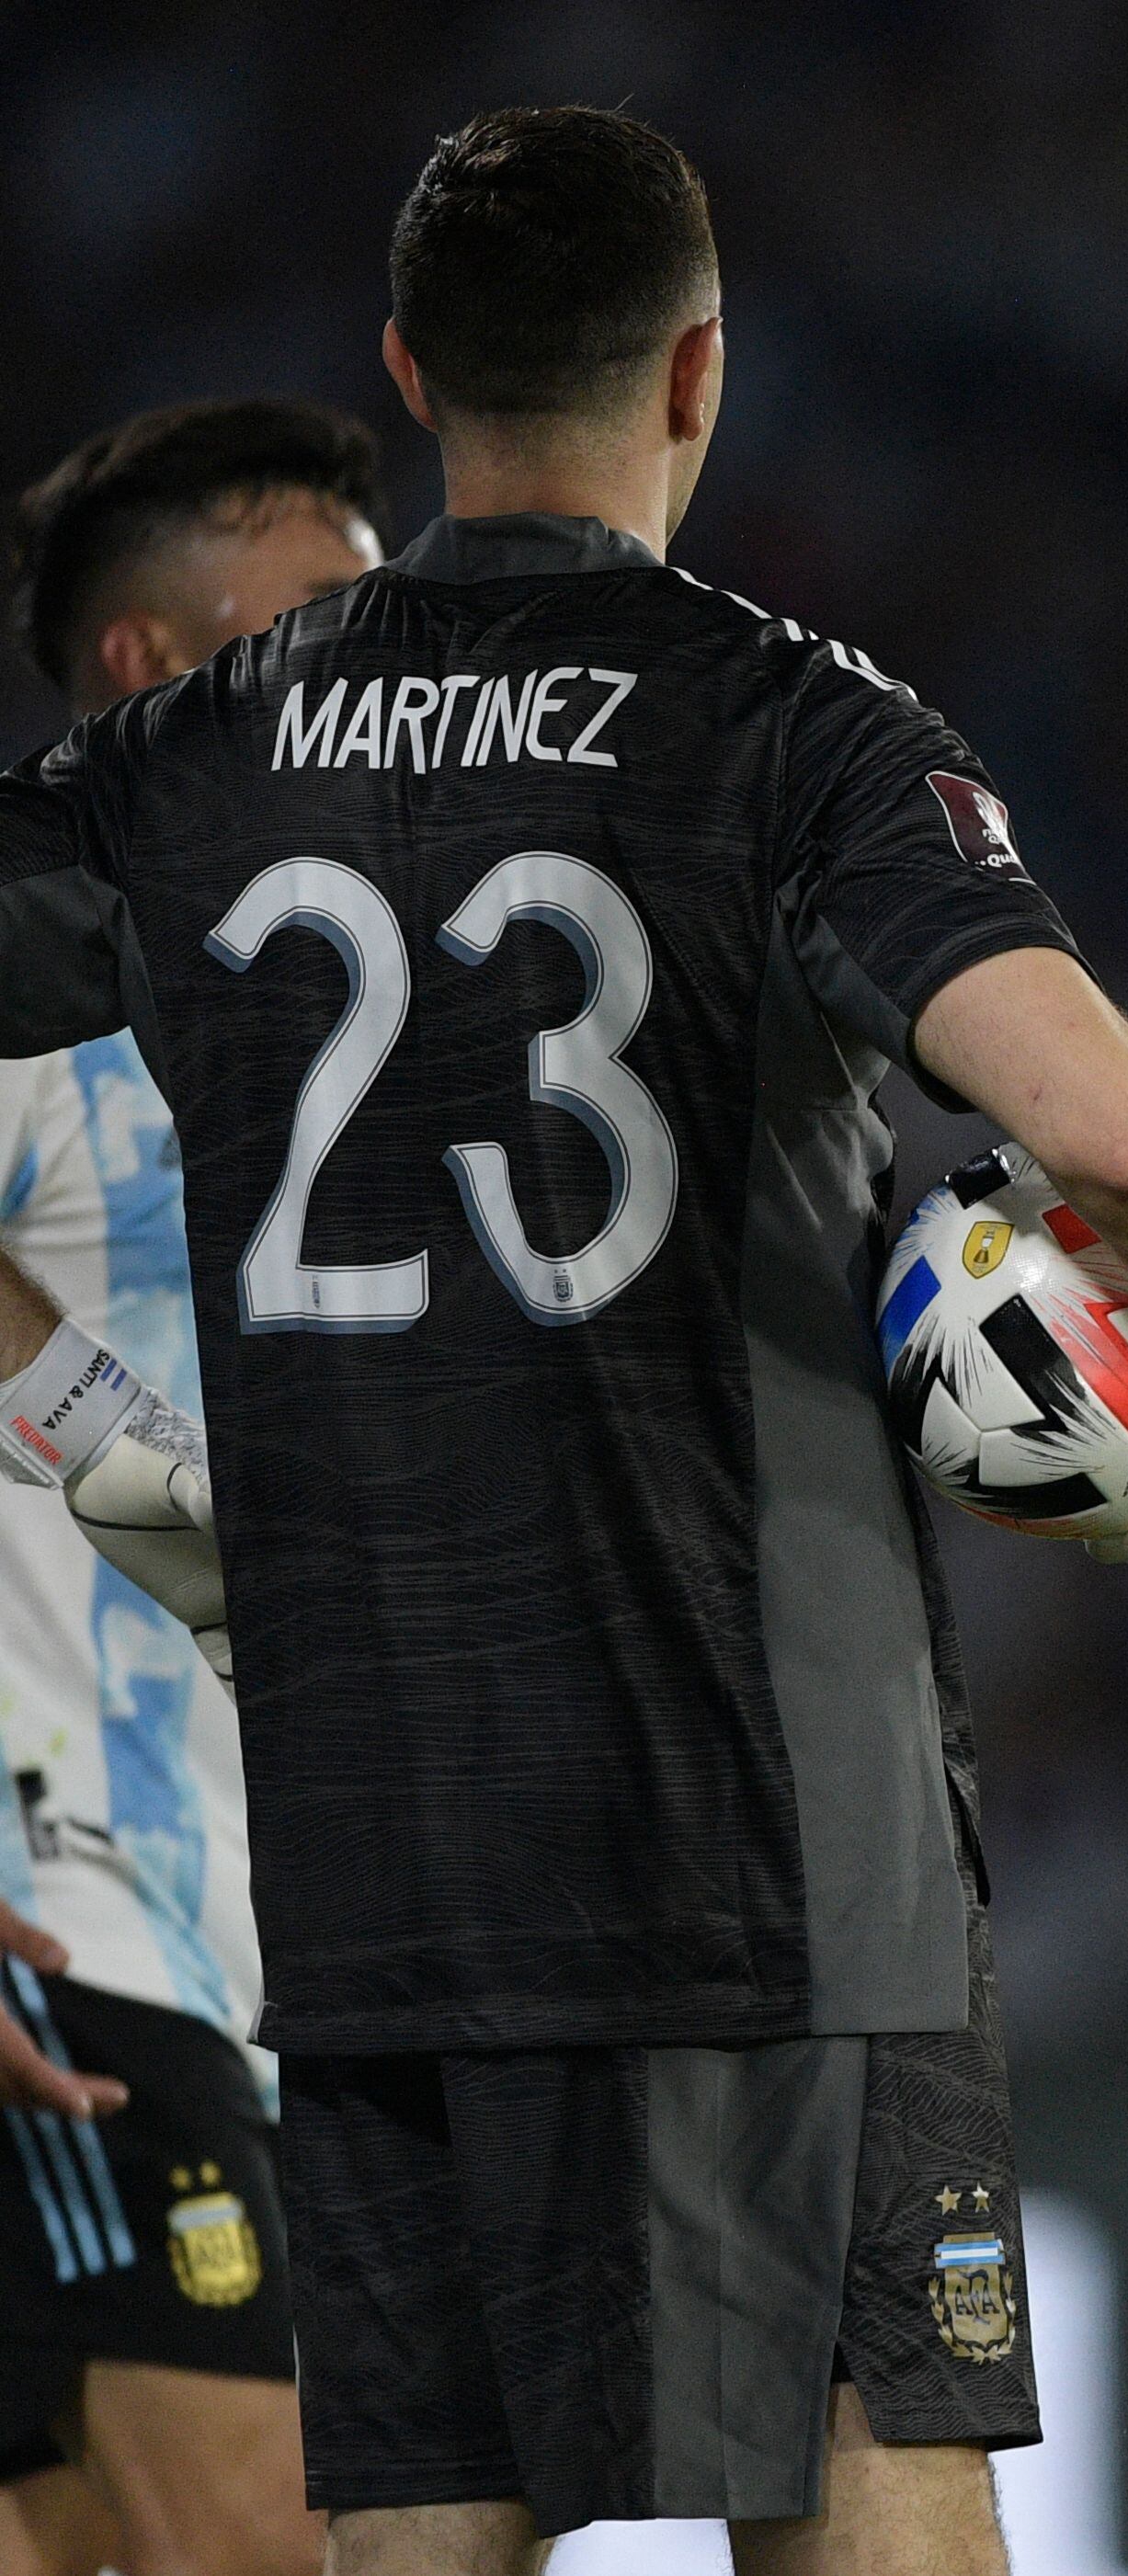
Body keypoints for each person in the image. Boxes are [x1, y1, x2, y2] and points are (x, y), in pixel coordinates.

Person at [0, 106, 1128, 2572]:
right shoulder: (794, 728)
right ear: (700, 373)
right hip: (774, 1815)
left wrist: (109, 1444)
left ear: (412, 372)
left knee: (427, 2519)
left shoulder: (184, 762)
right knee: (863, 2497)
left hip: (382, 1832)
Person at [0, 397, 388, 2576]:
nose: (381, 648)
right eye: (324, 603)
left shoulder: (317, 1008)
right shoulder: (38, 979)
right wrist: (115, 1459)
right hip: (63, 1913)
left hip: (239, 1944)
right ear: (150, 670)